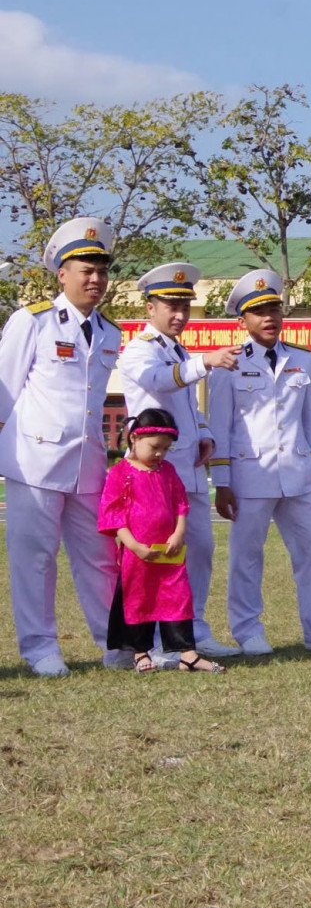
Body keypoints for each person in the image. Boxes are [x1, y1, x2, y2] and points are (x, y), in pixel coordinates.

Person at [207, 270, 311, 655]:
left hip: (297, 474)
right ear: (242, 320)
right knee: (247, 556)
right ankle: (248, 631)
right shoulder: (229, 364)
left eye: (274, 308)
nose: (269, 317)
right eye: (258, 310)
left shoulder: (301, 359)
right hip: (250, 475)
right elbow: (220, 427)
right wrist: (222, 481)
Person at [0, 218, 126, 675]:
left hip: (88, 463)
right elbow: (4, 394)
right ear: (62, 274)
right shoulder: (31, 321)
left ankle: (115, 643)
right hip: (34, 460)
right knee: (35, 558)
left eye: (102, 271)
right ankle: (39, 649)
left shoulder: (110, 332)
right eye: (85, 270)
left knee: (100, 557)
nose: (95, 279)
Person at [118, 261, 244, 659]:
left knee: (199, 552)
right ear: (149, 308)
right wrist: (205, 362)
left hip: (186, 470)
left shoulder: (180, 350)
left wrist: (204, 433)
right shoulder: (139, 350)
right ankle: (154, 642)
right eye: (170, 305)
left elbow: (189, 405)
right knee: (156, 558)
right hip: (151, 473)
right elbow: (159, 381)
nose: (179, 315)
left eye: (185, 306)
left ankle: (194, 631)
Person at [98, 408, 224, 673]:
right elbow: (114, 515)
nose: (159, 454)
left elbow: (180, 502)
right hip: (138, 553)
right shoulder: (120, 473)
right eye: (155, 447)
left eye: (165, 449)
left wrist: (178, 533)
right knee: (138, 600)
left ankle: (187, 654)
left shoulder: (167, 471)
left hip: (169, 552)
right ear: (134, 438)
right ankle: (140, 652)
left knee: (178, 599)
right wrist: (133, 546)